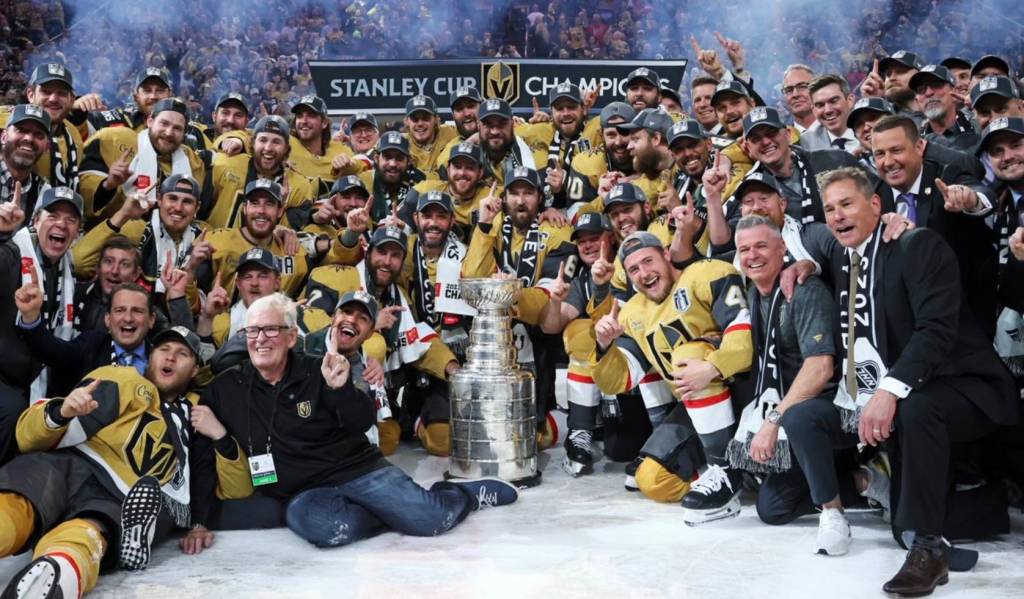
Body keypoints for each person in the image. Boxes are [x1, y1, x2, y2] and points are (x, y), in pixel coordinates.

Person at [815, 167, 1016, 595]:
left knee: (916, 407)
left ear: (876, 205)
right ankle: (978, 511)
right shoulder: (843, 257)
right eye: (829, 209)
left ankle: (929, 549)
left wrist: (888, 389)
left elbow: (936, 330)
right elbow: (799, 239)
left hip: (967, 385)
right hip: (914, 388)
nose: (837, 216)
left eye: (847, 204)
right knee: (899, 525)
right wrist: (800, 264)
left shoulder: (915, 244)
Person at [190, 293, 517, 551]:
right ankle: (398, 511)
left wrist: (341, 389)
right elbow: (204, 455)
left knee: (431, 519)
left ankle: (460, 495)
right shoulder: (225, 388)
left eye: (271, 330)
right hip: (303, 493)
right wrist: (200, 521)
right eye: (252, 331)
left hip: (357, 471)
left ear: (291, 337)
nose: (260, 339)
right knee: (327, 531)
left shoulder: (320, 368)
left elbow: (361, 421)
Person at [0, 326, 203, 597]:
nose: (170, 357)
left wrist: (220, 437)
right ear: (150, 356)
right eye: (164, 349)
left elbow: (211, 476)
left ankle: (55, 575)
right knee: (17, 505)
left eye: (182, 354)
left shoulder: (198, 415)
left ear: (195, 370)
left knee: (88, 531)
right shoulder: (122, 378)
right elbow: (25, 437)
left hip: (121, 496)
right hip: (69, 464)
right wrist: (60, 413)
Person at [729, 215, 887, 556]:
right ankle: (854, 477)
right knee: (772, 508)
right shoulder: (755, 294)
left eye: (761, 246)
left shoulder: (804, 291)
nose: (752, 256)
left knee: (796, 424)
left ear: (782, 248)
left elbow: (820, 368)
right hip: (798, 412)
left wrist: (773, 421)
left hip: (833, 412)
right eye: (744, 249)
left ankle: (855, 492)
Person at [592, 230, 752, 524]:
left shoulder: (708, 274)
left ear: (666, 254)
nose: (644, 273)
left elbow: (746, 338)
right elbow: (620, 380)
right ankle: (712, 471)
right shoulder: (632, 314)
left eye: (648, 261)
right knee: (651, 480)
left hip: (746, 393)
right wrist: (604, 346)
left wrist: (712, 368)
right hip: (696, 407)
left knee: (687, 357)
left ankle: (725, 471)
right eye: (634, 269)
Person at [870, 114, 998, 335]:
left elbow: (984, 195)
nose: (888, 162)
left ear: (919, 147)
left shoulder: (947, 176)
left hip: (966, 321)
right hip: (909, 325)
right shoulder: (874, 198)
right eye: (879, 154)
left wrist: (970, 200)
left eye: (896, 150)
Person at [0, 187, 82, 461]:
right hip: (5, 380)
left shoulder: (68, 270)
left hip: (26, 381)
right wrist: (1, 233)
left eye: (70, 219)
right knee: (14, 411)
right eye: (53, 215)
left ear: (78, 231)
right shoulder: (12, 253)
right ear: (35, 221)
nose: (61, 224)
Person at [78, 98, 206, 226]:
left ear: (184, 133)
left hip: (170, 234)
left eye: (177, 128)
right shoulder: (114, 140)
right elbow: (82, 202)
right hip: (114, 231)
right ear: (150, 121)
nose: (169, 133)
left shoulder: (193, 162)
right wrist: (108, 185)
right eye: (164, 124)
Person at [17, 281, 155, 397]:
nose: (128, 318)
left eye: (137, 311)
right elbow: (53, 351)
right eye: (120, 310)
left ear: (151, 319)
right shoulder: (92, 345)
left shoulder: (159, 358)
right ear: (107, 319)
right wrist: (31, 317)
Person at [288, 95, 362, 185]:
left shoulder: (340, 151)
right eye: (299, 115)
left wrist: (350, 165)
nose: (304, 121)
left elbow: (364, 165)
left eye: (311, 115)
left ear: (324, 123)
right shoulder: (285, 146)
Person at [910, 65, 978, 152]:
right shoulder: (913, 141)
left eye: (936, 85)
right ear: (917, 101)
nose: (928, 93)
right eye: (921, 89)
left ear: (954, 91)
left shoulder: (977, 127)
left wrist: (977, 107)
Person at [0, 104, 52, 215]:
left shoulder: (44, 193)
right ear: (3, 137)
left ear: (47, 147)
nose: (29, 138)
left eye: (39, 134)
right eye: (21, 130)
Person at [800, 74, 859, 153]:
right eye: (820, 105)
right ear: (813, 110)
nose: (828, 110)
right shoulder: (806, 143)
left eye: (834, 101)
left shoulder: (869, 130)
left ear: (850, 101)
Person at [781, 64, 818, 133]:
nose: (795, 94)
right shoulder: (781, 135)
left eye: (802, 87)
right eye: (789, 90)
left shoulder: (838, 124)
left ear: (817, 89)